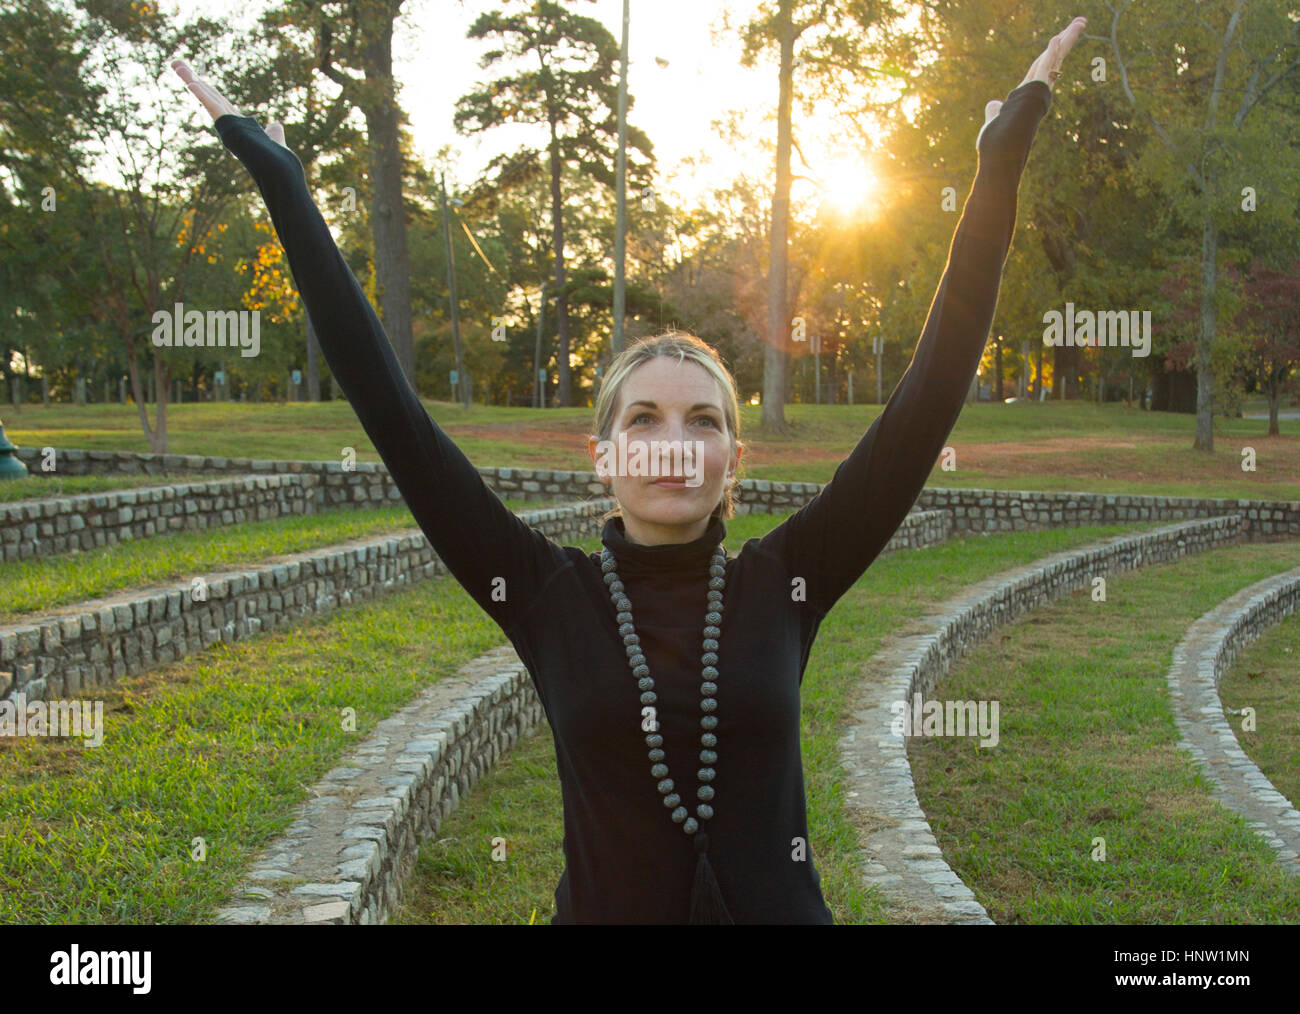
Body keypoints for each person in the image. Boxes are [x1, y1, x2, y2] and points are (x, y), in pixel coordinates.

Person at [173, 14, 1086, 924]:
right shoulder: (543, 593)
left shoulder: (786, 582)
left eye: (703, 421)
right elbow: (394, 415)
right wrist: (286, 187)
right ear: (603, 454)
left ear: (733, 458)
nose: (673, 442)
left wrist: (995, 170)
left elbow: (926, 400)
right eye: (642, 418)